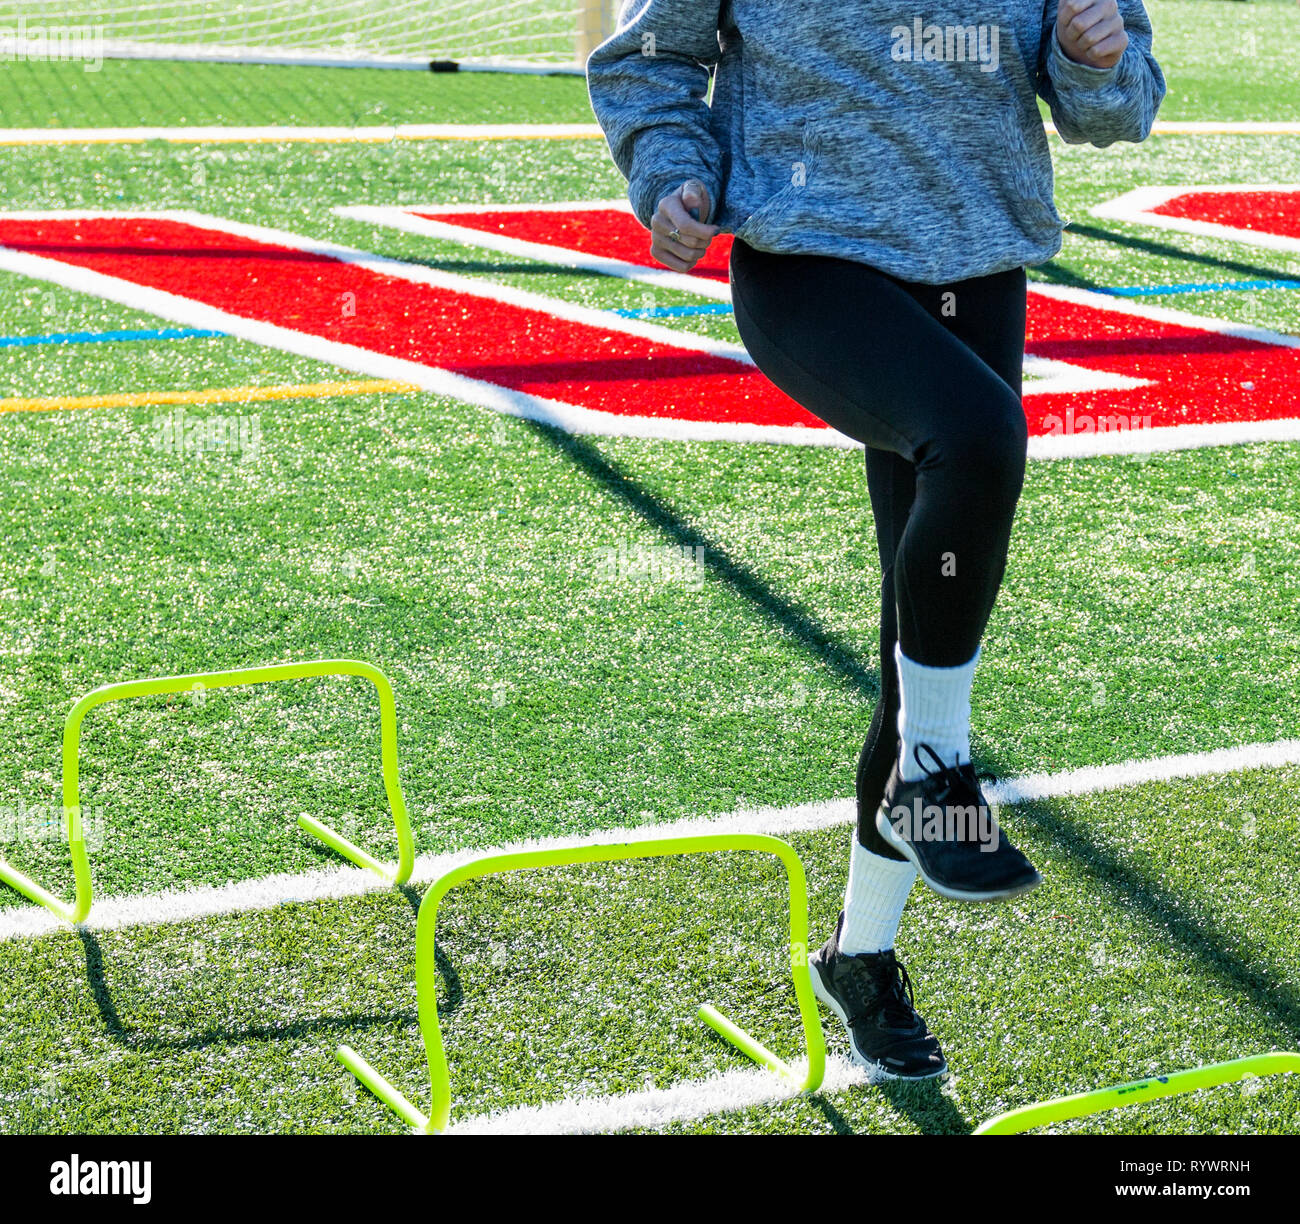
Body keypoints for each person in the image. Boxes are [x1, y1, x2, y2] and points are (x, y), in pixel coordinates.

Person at [587, 0, 1164, 1079]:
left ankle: (861, 957)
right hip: (812, 258)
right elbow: (651, 61)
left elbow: (1116, 104)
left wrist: (1094, 62)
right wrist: (672, 174)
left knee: (916, 653)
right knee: (979, 437)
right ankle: (937, 771)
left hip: (978, 264)